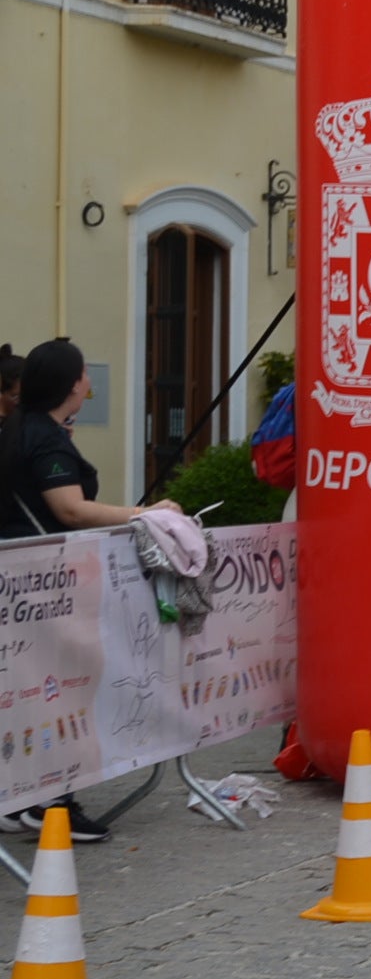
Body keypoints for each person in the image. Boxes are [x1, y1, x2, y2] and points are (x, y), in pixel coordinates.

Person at [0, 339, 182, 842]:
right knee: (62, 689)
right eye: (84, 376)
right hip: (43, 586)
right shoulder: (46, 437)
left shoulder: (22, 427)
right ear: (70, 383)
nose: (90, 385)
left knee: (33, 692)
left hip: (24, 581)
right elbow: (71, 509)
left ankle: (28, 798)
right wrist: (146, 514)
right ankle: (51, 801)